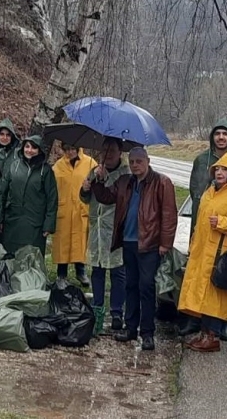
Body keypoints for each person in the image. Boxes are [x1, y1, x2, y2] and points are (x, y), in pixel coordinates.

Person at [91, 146, 177, 350]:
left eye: (139, 161)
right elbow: (105, 197)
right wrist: (99, 180)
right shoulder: (124, 182)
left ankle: (147, 333)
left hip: (149, 243)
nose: (135, 165)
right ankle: (130, 328)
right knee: (131, 284)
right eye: (132, 162)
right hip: (128, 242)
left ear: (148, 161)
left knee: (146, 287)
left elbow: (169, 215)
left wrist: (166, 243)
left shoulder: (162, 183)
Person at [182, 118, 227, 340]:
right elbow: (196, 196)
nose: (221, 137)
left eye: (225, 134)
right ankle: (199, 326)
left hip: (223, 248)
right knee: (200, 285)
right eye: (217, 133)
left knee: (219, 288)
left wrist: (224, 223)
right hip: (203, 243)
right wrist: (195, 237)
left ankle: (219, 327)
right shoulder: (205, 176)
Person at [80, 137, 130, 334]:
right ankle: (98, 307)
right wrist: (84, 189)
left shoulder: (125, 174)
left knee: (118, 272)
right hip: (96, 229)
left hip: (115, 229)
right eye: (105, 150)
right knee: (97, 270)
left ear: (119, 153)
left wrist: (100, 180)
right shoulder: (94, 171)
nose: (107, 154)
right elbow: (85, 197)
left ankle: (117, 311)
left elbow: (112, 197)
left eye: (112, 151)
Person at [1, 135, 58, 256]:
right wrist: (0, 218)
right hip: (13, 220)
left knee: (31, 256)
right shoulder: (14, 166)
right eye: (27, 147)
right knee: (11, 256)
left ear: (39, 150)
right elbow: (3, 194)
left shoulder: (46, 170)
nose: (29, 150)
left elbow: (52, 198)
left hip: (34, 223)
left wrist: (49, 224)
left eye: (33, 147)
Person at [52, 144, 97, 285]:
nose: (70, 152)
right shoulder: (57, 167)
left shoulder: (90, 163)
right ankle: (61, 274)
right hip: (64, 211)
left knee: (80, 242)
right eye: (67, 149)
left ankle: (81, 273)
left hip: (81, 209)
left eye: (73, 148)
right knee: (63, 244)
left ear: (78, 148)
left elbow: (98, 187)